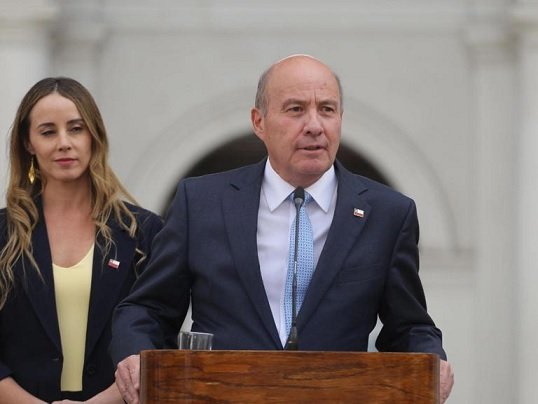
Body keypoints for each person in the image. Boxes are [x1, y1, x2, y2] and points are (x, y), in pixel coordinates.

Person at [112, 55, 454, 403]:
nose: (314, 125)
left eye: (327, 109)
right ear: (258, 122)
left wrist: (432, 362)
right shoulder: (201, 202)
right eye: (295, 109)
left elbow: (408, 326)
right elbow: (148, 309)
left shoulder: (388, 214)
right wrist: (134, 356)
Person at [0, 77, 163, 403]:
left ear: (94, 136)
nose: (64, 143)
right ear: (28, 143)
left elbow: (159, 335)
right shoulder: (4, 233)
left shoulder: (143, 232)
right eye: (48, 132)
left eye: (76, 129)